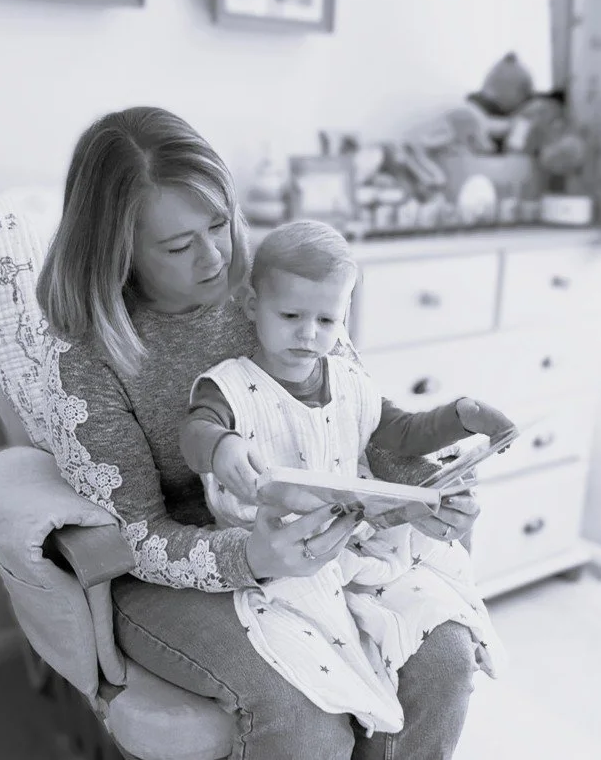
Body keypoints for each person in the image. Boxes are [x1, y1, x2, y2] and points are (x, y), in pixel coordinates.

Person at [37, 106, 495, 760]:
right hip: (169, 570)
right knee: (303, 715)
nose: (214, 255)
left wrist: (429, 492)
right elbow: (130, 535)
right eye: (176, 245)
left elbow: (361, 429)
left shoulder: (273, 289)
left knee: (445, 659)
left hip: (312, 541)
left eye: (219, 223)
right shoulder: (90, 360)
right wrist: (250, 559)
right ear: (118, 249)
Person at [180, 219, 511, 738]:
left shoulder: (348, 380)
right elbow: (195, 431)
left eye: (327, 320)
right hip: (275, 551)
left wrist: (460, 414)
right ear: (252, 307)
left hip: (352, 541)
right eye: (289, 315)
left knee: (432, 598)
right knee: (315, 650)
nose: (308, 334)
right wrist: (222, 446)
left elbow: (400, 432)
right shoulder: (231, 385)